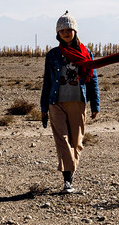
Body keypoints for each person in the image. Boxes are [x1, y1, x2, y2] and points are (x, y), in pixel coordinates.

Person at [40, 11, 99, 194]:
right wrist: (43, 108)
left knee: (77, 142)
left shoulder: (85, 52)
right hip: (56, 102)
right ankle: (68, 180)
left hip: (77, 102)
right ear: (58, 33)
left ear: (75, 31)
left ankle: (70, 170)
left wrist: (95, 104)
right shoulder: (53, 55)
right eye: (62, 30)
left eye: (69, 29)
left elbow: (92, 79)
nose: (65, 33)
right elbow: (47, 82)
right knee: (62, 141)